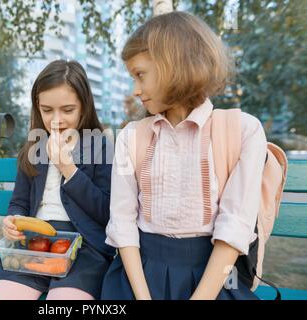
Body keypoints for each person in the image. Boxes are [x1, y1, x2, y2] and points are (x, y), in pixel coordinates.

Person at [101, 11, 267, 300]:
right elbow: (123, 223)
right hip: (138, 274)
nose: (136, 90)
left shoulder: (243, 131)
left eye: (140, 75)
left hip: (214, 278)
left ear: (173, 65)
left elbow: (234, 228)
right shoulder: (130, 136)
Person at [0, 59, 115, 300]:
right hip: (33, 246)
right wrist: (12, 220)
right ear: (38, 107)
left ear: (84, 106)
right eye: (47, 110)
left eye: (67, 110)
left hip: (85, 251)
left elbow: (107, 213)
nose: (56, 119)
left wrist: (69, 169)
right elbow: (19, 202)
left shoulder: (99, 146)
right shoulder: (35, 146)